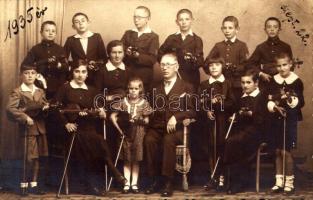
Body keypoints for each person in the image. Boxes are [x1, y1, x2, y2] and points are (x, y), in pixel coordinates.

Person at [55, 60, 126, 196]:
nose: (80, 75)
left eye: (83, 72)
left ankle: (92, 183)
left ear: (87, 74)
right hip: (73, 131)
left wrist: (101, 112)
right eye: (77, 71)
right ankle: (110, 173)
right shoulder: (65, 88)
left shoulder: (93, 90)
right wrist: (66, 123)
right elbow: (56, 109)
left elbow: (99, 110)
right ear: (72, 72)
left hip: (89, 128)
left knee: (97, 140)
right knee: (93, 141)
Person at [144, 51, 195, 197]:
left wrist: (176, 117)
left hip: (177, 130)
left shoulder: (186, 87)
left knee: (168, 140)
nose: (165, 68)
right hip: (158, 126)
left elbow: (192, 111)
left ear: (176, 66)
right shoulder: (155, 87)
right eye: (162, 65)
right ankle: (154, 180)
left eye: (168, 65)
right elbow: (150, 108)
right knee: (149, 140)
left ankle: (168, 181)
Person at [7, 65, 49, 195]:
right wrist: (25, 117)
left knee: (38, 157)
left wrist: (46, 108)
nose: (30, 76)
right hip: (28, 129)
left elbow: (43, 106)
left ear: (36, 75)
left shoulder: (40, 91)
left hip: (40, 128)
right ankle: (23, 184)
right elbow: (11, 109)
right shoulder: (18, 91)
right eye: (26, 73)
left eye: (33, 73)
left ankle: (34, 185)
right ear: (21, 75)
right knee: (28, 158)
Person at [223, 70, 266, 194]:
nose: (245, 85)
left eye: (248, 82)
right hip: (243, 132)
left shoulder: (261, 97)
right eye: (243, 82)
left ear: (256, 83)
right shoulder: (241, 98)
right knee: (229, 141)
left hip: (258, 133)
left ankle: (238, 182)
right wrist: (234, 117)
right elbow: (238, 114)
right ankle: (230, 180)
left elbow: (263, 120)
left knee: (235, 142)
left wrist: (251, 114)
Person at [267, 53, 304, 194]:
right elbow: (269, 98)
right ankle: (279, 182)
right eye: (279, 65)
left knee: (286, 151)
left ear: (290, 65)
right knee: (277, 151)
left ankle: (289, 182)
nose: (281, 68)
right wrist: (275, 107)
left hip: (290, 119)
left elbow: (300, 101)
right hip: (275, 119)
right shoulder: (273, 81)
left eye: (284, 65)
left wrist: (289, 101)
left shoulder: (296, 81)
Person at [198, 56, 235, 191]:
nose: (213, 67)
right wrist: (206, 110)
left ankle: (222, 177)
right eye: (211, 65)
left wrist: (220, 103)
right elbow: (199, 103)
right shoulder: (204, 85)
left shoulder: (228, 84)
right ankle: (212, 176)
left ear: (222, 67)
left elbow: (233, 103)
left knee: (222, 146)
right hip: (209, 122)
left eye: (217, 65)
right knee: (210, 147)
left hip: (223, 121)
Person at [111, 77, 153, 194]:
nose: (133, 91)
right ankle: (126, 183)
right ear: (127, 89)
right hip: (124, 133)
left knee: (136, 159)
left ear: (140, 90)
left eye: (136, 88)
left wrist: (139, 119)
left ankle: (134, 184)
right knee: (126, 158)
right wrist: (119, 129)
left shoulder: (144, 103)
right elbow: (112, 116)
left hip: (138, 133)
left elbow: (147, 121)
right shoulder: (123, 102)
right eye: (131, 88)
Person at [21, 20, 69, 100]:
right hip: (38, 85)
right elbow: (25, 66)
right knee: (39, 107)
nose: (50, 33)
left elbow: (66, 68)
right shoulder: (35, 49)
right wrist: (45, 62)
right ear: (41, 32)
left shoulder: (60, 49)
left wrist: (59, 65)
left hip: (57, 86)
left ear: (56, 34)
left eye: (53, 31)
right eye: (47, 30)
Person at [158, 8, 204, 89]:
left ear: (192, 20)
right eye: (181, 20)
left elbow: (200, 61)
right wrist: (169, 64)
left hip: (191, 78)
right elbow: (159, 54)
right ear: (177, 22)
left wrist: (192, 59)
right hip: (173, 77)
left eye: (187, 19)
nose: (184, 22)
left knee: (190, 99)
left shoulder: (197, 39)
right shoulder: (171, 38)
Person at [205, 16, 249, 99]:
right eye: (224, 28)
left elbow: (246, 66)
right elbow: (206, 63)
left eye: (230, 28)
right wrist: (215, 74)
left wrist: (234, 68)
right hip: (220, 84)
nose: (227, 31)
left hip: (236, 85)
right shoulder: (218, 46)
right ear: (222, 29)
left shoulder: (242, 45)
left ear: (237, 29)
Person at [246, 17, 293, 92]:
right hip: (265, 83)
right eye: (269, 27)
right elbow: (249, 64)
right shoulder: (260, 47)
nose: (272, 29)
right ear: (265, 30)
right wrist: (261, 74)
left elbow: (291, 66)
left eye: (275, 27)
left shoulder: (286, 47)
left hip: (282, 83)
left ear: (279, 30)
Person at [121, 6, 159, 93]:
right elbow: (119, 50)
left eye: (139, 17)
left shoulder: (153, 37)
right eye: (134, 17)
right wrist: (126, 52)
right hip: (126, 74)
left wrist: (138, 56)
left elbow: (152, 59)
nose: (136, 20)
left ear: (147, 19)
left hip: (143, 77)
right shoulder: (128, 33)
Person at [64, 12, 107, 87]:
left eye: (83, 21)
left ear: (88, 23)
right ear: (73, 26)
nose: (80, 24)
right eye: (77, 22)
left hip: (95, 75)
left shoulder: (96, 37)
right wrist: (75, 65)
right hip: (78, 75)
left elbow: (103, 58)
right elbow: (63, 59)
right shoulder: (71, 40)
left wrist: (95, 64)